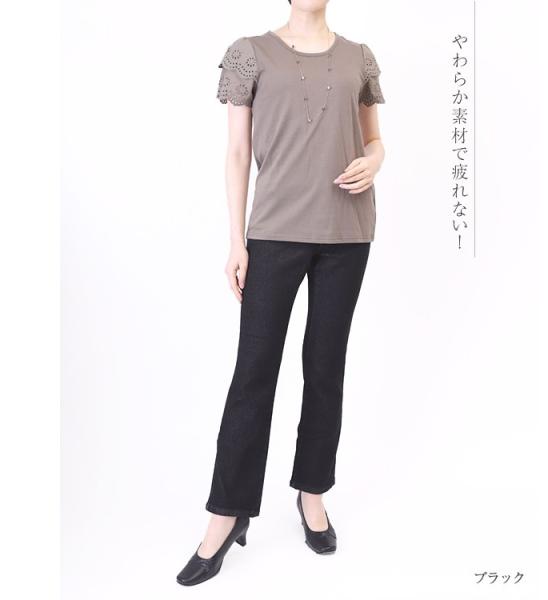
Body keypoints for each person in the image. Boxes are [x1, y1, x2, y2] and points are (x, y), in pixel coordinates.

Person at [177, 0, 385, 586]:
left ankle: (312, 493)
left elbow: (375, 141)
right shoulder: (250, 54)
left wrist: (375, 161)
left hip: (348, 234)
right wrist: (236, 240)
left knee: (325, 367)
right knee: (254, 371)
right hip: (272, 235)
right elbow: (237, 151)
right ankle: (227, 512)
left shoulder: (360, 57)